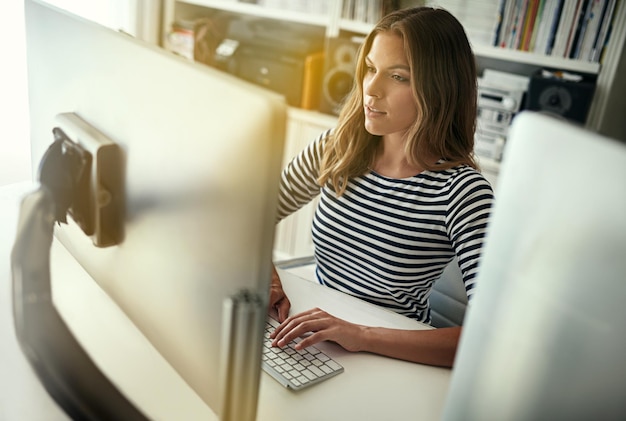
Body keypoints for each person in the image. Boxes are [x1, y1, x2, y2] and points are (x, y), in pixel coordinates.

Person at [268, 6, 494, 368]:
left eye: (398, 76)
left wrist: (360, 335)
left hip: (393, 355)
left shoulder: (463, 192)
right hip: (315, 333)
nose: (370, 89)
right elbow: (254, 213)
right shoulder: (339, 145)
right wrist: (268, 278)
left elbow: (490, 338)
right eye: (370, 69)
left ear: (438, 89)